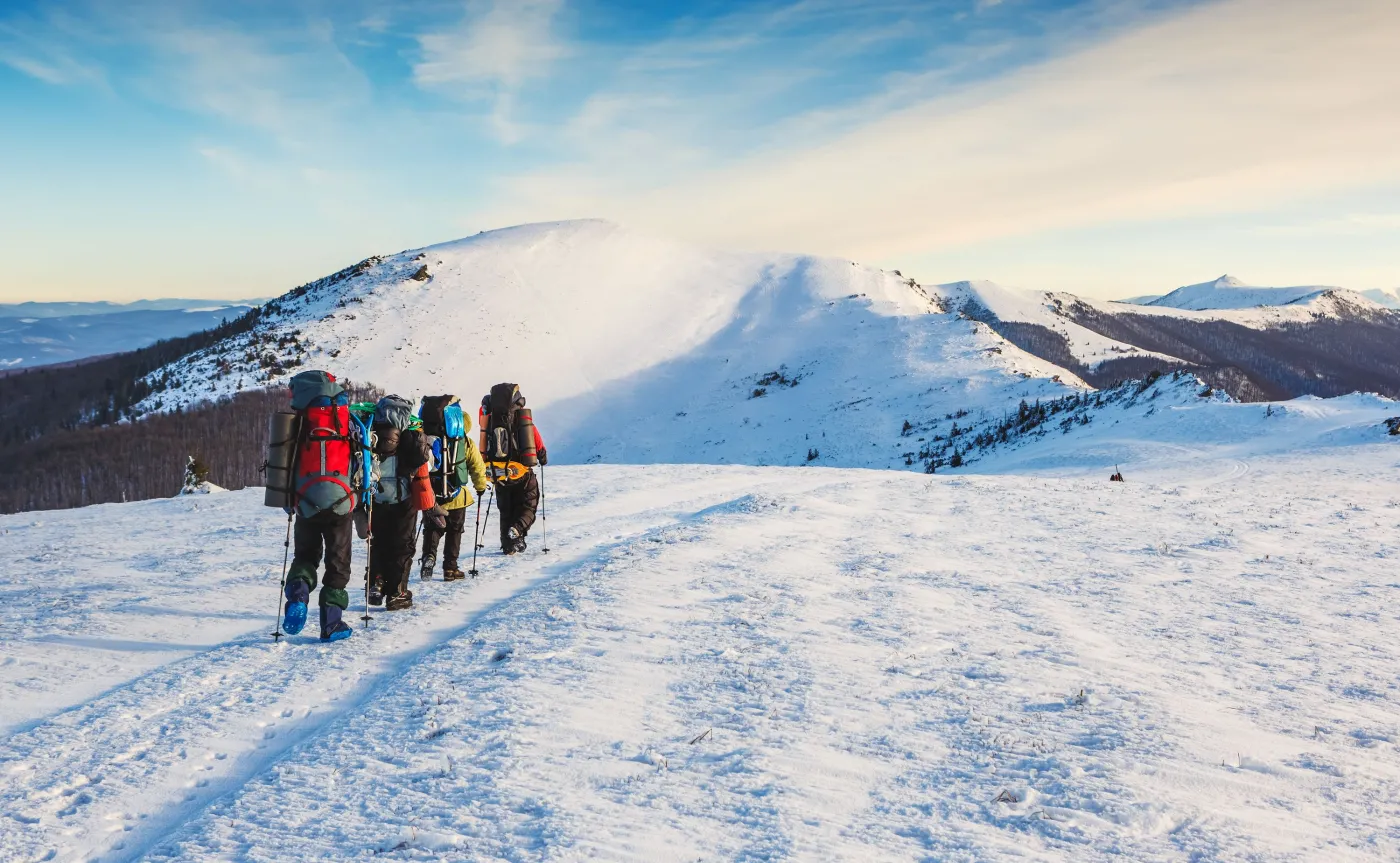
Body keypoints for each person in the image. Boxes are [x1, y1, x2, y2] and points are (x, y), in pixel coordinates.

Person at [278, 370, 360, 643]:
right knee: (338, 563)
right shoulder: (344, 415)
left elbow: (284, 462)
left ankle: (298, 597)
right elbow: (361, 459)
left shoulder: (299, 419)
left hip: (306, 500)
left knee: (305, 556)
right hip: (341, 501)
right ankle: (331, 624)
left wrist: (290, 498)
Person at [367, 394, 442, 610]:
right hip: (404, 498)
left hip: (376, 497)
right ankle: (397, 593)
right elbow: (429, 464)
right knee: (402, 546)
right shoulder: (412, 431)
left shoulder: (373, 429)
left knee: (379, 542)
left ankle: (376, 584)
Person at [418, 395, 489, 580]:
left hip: (431, 493)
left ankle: (429, 557)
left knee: (432, 528)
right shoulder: (464, 442)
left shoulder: (427, 438)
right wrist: (481, 487)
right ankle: (450, 568)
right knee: (455, 531)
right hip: (457, 495)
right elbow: (477, 466)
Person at [478, 383, 548, 555]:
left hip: (497, 473)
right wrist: (542, 456)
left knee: (505, 509)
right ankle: (517, 530)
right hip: (521, 471)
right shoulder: (522, 419)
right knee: (528, 506)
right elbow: (535, 440)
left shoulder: (490, 419)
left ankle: (509, 546)